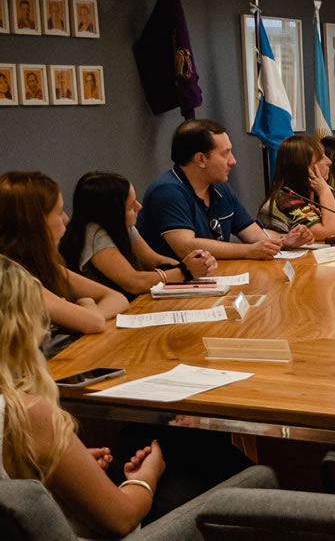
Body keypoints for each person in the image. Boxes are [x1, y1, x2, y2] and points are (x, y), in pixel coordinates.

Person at [0, 255, 165, 538]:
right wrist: (147, 477)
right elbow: (121, 518)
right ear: (18, 330)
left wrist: (64, 464)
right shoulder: (28, 414)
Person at [137, 119, 305, 260]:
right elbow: (186, 247)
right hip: (175, 288)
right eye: (225, 154)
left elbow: (255, 235)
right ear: (201, 159)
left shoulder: (220, 189)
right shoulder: (168, 191)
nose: (233, 161)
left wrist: (285, 240)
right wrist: (249, 251)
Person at [0, 172, 129, 356]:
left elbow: (117, 298)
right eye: (59, 212)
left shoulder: (42, 263)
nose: (66, 219)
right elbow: (95, 322)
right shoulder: (12, 277)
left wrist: (81, 314)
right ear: (35, 222)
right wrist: (86, 304)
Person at [59, 172, 217, 298]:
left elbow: (154, 260)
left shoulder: (122, 225)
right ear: (111, 212)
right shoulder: (94, 234)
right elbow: (133, 283)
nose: (139, 207)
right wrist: (185, 271)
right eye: (130, 206)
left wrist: (197, 264)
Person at [260, 135, 335, 242]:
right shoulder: (284, 199)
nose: (329, 162)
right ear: (305, 167)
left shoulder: (320, 190)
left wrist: (334, 223)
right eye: (321, 158)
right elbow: (332, 233)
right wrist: (324, 191)